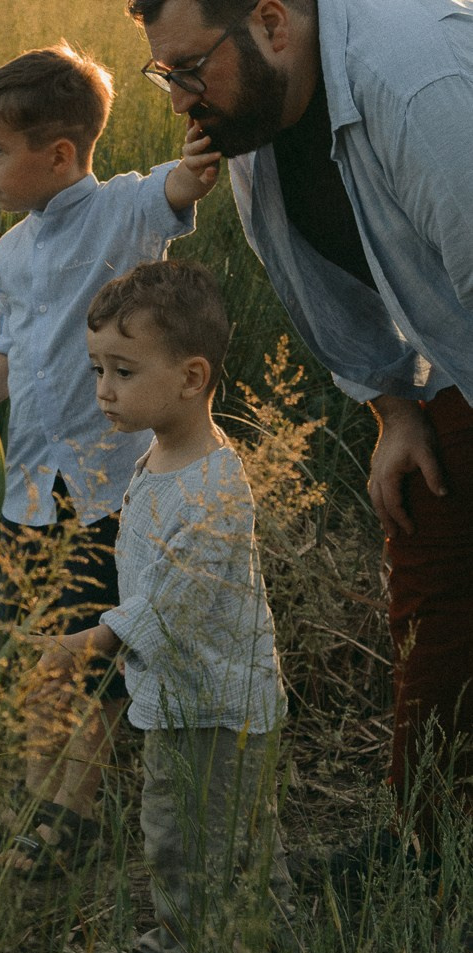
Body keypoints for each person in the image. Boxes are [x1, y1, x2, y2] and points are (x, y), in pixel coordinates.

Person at [126, 0, 473, 855]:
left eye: (190, 69)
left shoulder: (418, 79)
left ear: (273, 23)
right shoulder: (255, 123)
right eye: (166, 74)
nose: (181, 100)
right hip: (455, 356)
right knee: (432, 555)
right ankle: (427, 846)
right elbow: (325, 291)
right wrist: (396, 410)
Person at [0, 42, 220, 869]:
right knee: (37, 649)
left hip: (104, 484)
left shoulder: (122, 211)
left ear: (59, 155)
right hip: (29, 483)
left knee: (85, 655)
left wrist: (203, 136)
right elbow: (13, 347)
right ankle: (36, 802)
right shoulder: (10, 253)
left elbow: (185, 180)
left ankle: (73, 820)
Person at [31, 260, 311, 953]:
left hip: (216, 705)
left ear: (191, 378)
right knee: (226, 834)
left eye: (123, 371)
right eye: (97, 369)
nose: (103, 390)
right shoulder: (159, 456)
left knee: (188, 836)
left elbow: (177, 600)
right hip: (185, 695)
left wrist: (91, 642)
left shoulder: (214, 485)